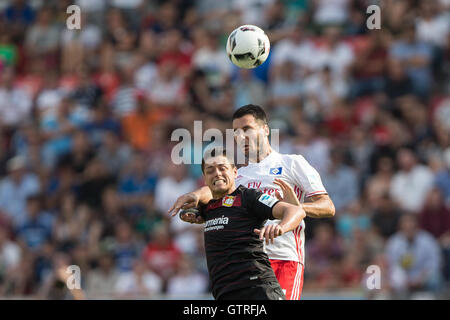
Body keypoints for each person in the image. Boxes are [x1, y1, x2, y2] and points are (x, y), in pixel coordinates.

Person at [169, 104, 335, 300]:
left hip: (283, 257)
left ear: (265, 130)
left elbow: (327, 206)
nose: (241, 137)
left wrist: (296, 209)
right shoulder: (239, 175)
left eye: (247, 129)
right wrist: (196, 197)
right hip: (248, 264)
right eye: (236, 132)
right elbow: (215, 190)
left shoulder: (292, 163)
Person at [178, 148, 305, 300]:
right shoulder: (209, 208)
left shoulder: (249, 197)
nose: (217, 173)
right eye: (210, 170)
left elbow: (295, 211)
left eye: (222, 168)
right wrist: (190, 213)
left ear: (235, 173)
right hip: (225, 293)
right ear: (205, 179)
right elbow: (204, 208)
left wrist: (280, 227)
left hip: (258, 289)